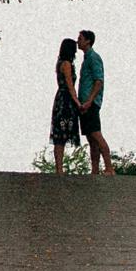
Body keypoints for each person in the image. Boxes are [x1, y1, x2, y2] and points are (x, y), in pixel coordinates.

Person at [76, 28, 112, 174]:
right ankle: (95, 170)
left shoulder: (93, 57)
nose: (78, 41)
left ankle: (109, 167)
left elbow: (98, 81)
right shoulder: (86, 59)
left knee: (96, 134)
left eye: (80, 38)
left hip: (90, 103)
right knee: (91, 137)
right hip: (85, 103)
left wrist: (90, 100)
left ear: (88, 41)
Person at [47, 37, 83, 171]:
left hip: (61, 98)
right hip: (66, 101)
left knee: (59, 135)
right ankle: (59, 168)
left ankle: (59, 168)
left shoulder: (60, 62)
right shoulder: (66, 64)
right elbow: (70, 85)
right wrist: (77, 102)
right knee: (61, 134)